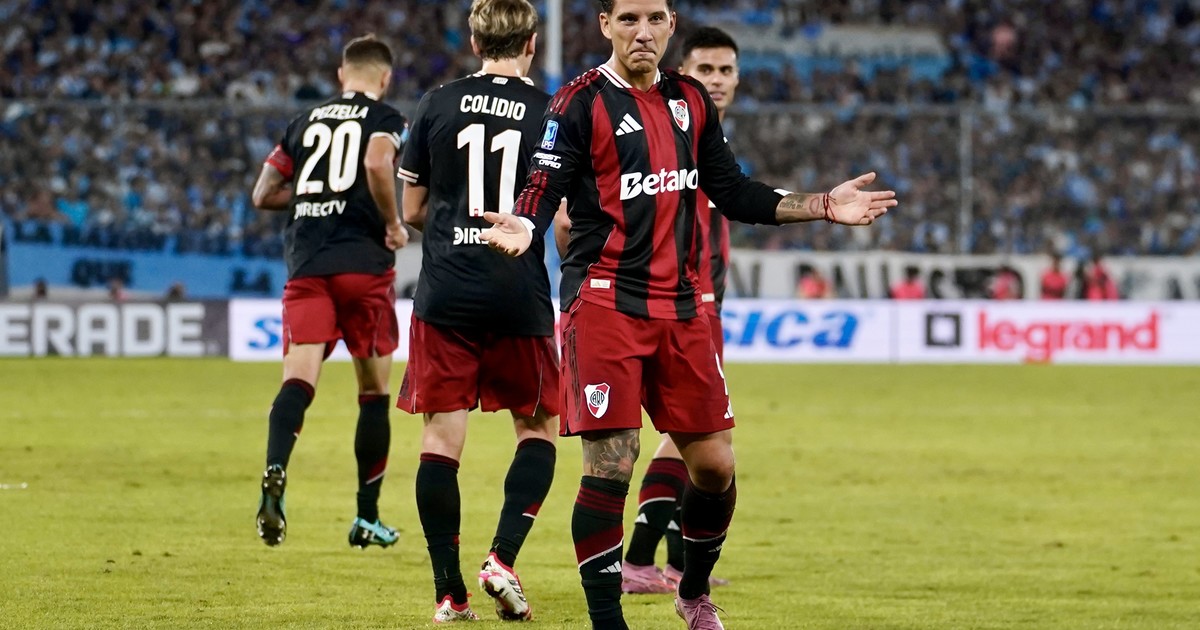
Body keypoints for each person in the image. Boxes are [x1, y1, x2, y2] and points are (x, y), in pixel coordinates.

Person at [480, 1, 896, 627]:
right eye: (628, 19)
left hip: (682, 308)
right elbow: (543, 183)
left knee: (715, 465)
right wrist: (523, 222)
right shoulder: (578, 102)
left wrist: (820, 206)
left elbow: (732, 189)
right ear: (605, 25)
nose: (642, 32)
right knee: (613, 464)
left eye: (654, 18)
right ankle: (608, 621)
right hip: (606, 302)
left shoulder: (691, 100)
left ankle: (692, 591)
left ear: (671, 24)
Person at [394, 0, 559, 623]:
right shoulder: (550, 112)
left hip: (446, 292)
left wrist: (452, 227)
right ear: (532, 43)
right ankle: (502, 559)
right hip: (518, 291)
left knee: (441, 439)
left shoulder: (436, 103)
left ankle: (449, 594)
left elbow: (412, 209)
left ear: (473, 41)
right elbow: (567, 217)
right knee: (537, 428)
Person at [249, 34, 410, 550]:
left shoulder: (304, 121)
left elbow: (263, 193)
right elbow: (378, 163)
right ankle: (367, 517)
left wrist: (314, 192)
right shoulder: (386, 118)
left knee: (298, 380)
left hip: (309, 264)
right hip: (364, 266)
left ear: (342, 75)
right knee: (374, 393)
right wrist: (393, 223)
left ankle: (276, 468)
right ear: (384, 78)